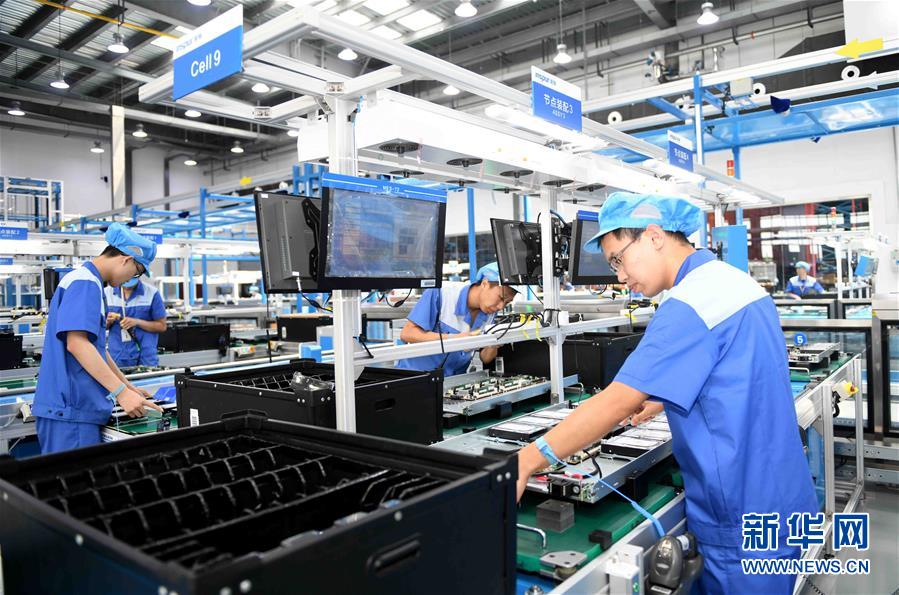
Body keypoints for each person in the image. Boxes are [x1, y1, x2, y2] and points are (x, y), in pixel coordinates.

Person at [515, 192, 817, 594]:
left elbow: (616, 400)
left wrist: (528, 460)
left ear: (654, 236)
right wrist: (662, 396)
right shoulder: (734, 282)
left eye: (618, 259)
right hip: (781, 495)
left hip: (740, 515)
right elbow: (734, 373)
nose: (620, 277)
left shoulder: (692, 301)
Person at [32, 223, 163, 454]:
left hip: (73, 409)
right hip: (71, 410)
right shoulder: (86, 283)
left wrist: (129, 387)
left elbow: (97, 349)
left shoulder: (87, 281)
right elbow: (78, 345)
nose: (132, 278)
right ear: (126, 259)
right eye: (138, 271)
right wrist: (121, 394)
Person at [396, 262, 518, 377]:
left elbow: (485, 358)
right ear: (485, 284)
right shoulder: (441, 293)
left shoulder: (489, 312)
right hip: (417, 377)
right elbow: (407, 333)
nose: (501, 306)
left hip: (453, 382)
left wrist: (493, 344)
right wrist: (453, 339)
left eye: (507, 302)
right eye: (501, 298)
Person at [104, 277, 167, 367]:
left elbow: (162, 326)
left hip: (146, 357)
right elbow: (99, 326)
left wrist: (137, 322)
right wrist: (107, 322)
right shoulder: (106, 293)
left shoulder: (152, 293)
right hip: (117, 356)